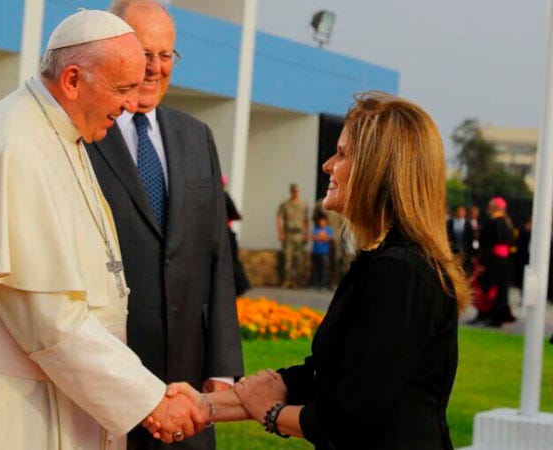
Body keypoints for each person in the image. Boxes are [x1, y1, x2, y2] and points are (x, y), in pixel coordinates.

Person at [0, 10, 205, 449]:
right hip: (2, 407)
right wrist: (149, 399)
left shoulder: (57, 127)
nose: (128, 105)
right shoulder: (15, 146)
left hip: (50, 393)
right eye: (121, 89)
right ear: (72, 80)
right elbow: (49, 321)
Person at [158, 92, 471, 450]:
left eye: (341, 154)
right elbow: (322, 376)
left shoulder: (401, 273)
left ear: (377, 168)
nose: (327, 164)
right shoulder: (381, 262)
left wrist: (271, 414)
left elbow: (349, 416)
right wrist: (205, 405)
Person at [83, 2, 243, 448]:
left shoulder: (197, 136)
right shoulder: (84, 134)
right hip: (104, 386)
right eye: (142, 53)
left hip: (188, 391)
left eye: (165, 55)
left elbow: (217, 256)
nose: (154, 68)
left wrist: (222, 369)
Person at [479, 196, 515, 327]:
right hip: (503, 260)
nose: (488, 208)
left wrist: (483, 262)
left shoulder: (495, 222)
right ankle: (496, 316)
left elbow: (488, 243)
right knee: (501, 289)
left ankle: (492, 316)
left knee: (492, 288)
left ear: (496, 207)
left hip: (494, 260)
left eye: (490, 205)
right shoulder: (507, 222)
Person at [277, 183, 309, 288]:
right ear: (290, 191)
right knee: (287, 258)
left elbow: (306, 221)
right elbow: (280, 219)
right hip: (288, 234)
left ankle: (297, 282)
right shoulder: (285, 204)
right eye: (293, 191)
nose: (295, 193)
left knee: (299, 259)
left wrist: (306, 234)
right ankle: (286, 281)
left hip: (299, 234)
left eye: (296, 191)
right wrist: (280, 233)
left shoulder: (303, 204)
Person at [223, 176, 251, 296]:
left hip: (213, 234)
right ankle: (240, 287)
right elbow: (235, 214)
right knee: (232, 260)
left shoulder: (211, 196)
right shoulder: (224, 196)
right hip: (226, 234)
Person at [446, 204, 474, 275]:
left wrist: (471, 252)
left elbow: (470, 238)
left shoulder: (468, 224)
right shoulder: (450, 222)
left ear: (465, 213)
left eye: (462, 211)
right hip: (453, 249)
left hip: (465, 250)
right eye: (459, 211)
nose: (460, 213)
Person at [309, 213, 332, 289]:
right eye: (320, 221)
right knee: (315, 268)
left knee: (324, 269)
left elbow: (328, 238)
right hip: (316, 252)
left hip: (324, 252)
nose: (321, 222)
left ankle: (323, 284)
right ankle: (315, 283)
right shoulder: (316, 229)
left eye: (323, 221)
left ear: (326, 221)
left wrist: (319, 237)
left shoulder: (328, 229)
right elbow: (312, 237)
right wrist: (321, 237)